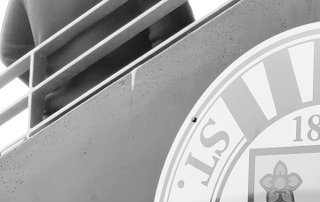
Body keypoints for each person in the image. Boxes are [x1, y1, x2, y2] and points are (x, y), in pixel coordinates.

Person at [0, 0, 194, 118]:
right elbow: (173, 26)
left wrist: (55, 85)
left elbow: (10, 49)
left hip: (59, 117)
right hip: (136, 94)